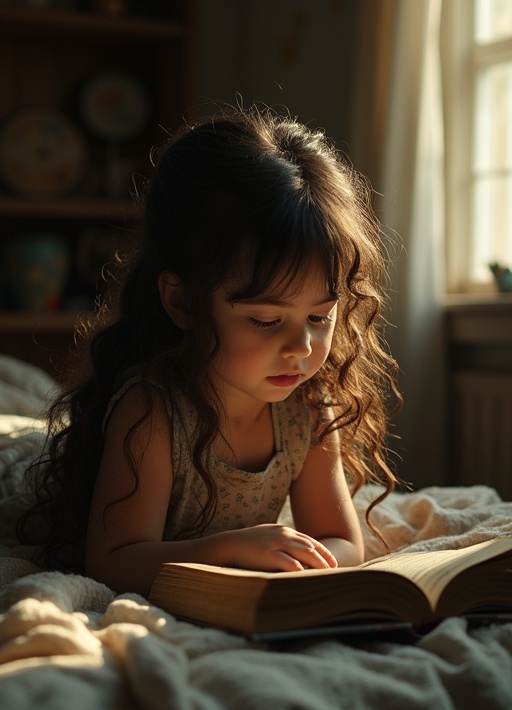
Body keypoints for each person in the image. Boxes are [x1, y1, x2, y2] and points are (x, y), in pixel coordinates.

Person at [19, 106, 401, 595]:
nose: (301, 348)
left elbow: (342, 541)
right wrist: (230, 551)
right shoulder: (154, 412)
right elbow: (112, 562)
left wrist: (310, 567)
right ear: (182, 301)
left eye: (319, 317)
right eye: (266, 320)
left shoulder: (307, 406)